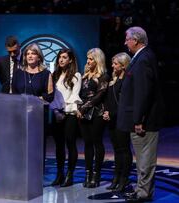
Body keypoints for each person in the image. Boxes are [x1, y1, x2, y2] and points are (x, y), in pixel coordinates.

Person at [117, 26, 162, 202]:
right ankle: (141, 189)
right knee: (142, 157)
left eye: (127, 39)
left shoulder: (143, 59)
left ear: (135, 40)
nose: (125, 42)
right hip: (139, 118)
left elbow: (144, 92)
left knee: (145, 158)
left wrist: (139, 119)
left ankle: (144, 192)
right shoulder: (141, 57)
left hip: (144, 120)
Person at [12, 43, 54, 166]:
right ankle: (20, 174)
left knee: (37, 147)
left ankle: (37, 176)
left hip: (38, 117)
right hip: (20, 116)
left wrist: (33, 101)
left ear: (39, 57)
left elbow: (50, 96)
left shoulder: (46, 74)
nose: (30, 56)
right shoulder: (18, 73)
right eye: (27, 54)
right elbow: (14, 94)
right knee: (20, 146)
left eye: (33, 53)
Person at [49, 49, 82, 187]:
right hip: (56, 114)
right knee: (59, 146)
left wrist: (64, 111)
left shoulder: (76, 75)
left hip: (69, 114)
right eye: (59, 57)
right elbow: (51, 96)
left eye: (64, 57)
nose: (61, 60)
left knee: (70, 143)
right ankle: (59, 174)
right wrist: (56, 111)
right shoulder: (54, 75)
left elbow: (74, 96)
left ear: (70, 60)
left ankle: (70, 175)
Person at [77, 48, 109, 188]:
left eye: (91, 59)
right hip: (83, 113)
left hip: (97, 113)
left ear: (97, 60)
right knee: (87, 143)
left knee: (97, 142)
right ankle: (88, 173)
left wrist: (84, 108)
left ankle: (96, 174)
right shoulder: (84, 75)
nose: (88, 61)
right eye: (87, 58)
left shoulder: (104, 76)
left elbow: (99, 95)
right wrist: (79, 108)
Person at [103, 52, 133, 192]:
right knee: (116, 150)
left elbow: (125, 103)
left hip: (123, 119)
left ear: (123, 65)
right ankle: (116, 176)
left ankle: (124, 178)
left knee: (124, 150)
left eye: (115, 64)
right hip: (112, 120)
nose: (112, 66)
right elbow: (109, 100)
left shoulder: (127, 80)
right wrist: (107, 111)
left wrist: (113, 113)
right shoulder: (112, 80)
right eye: (113, 63)